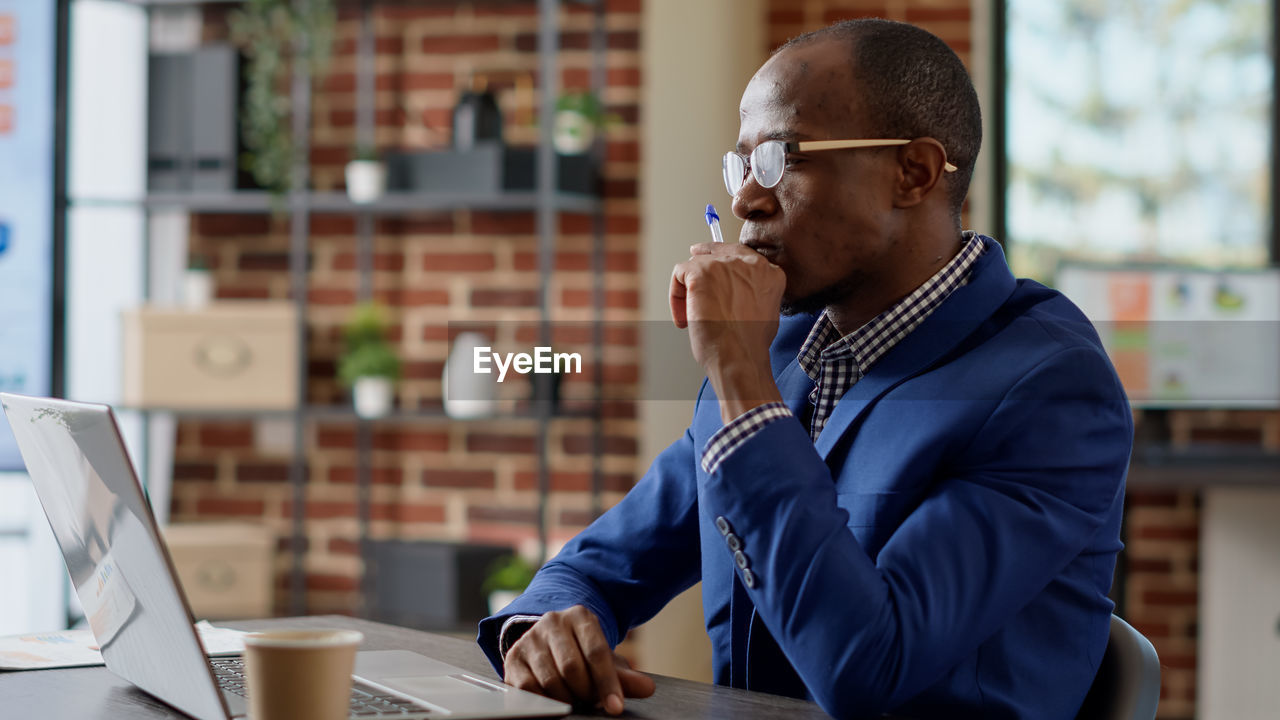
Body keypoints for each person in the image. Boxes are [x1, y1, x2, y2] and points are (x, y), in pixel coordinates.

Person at [477, 18, 1132, 720]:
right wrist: (543, 629)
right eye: (742, 165)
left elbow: (868, 668)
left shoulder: (1051, 389)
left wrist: (741, 382)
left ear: (912, 172)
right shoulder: (784, 348)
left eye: (781, 159)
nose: (745, 200)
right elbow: (597, 566)